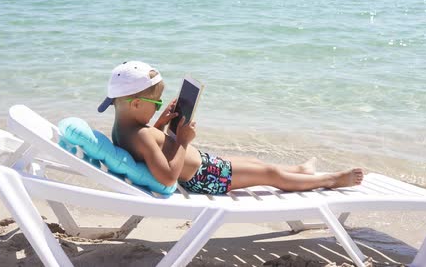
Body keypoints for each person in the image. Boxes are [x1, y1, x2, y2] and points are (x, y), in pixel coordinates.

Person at [98, 61, 364, 195]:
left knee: (254, 162)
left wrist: (162, 123)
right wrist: (182, 140)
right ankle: (331, 180)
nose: (157, 106)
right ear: (134, 103)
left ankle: (301, 171)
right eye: (155, 103)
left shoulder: (125, 129)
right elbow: (167, 177)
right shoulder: (141, 135)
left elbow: (150, 148)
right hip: (204, 178)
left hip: (205, 167)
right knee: (270, 173)